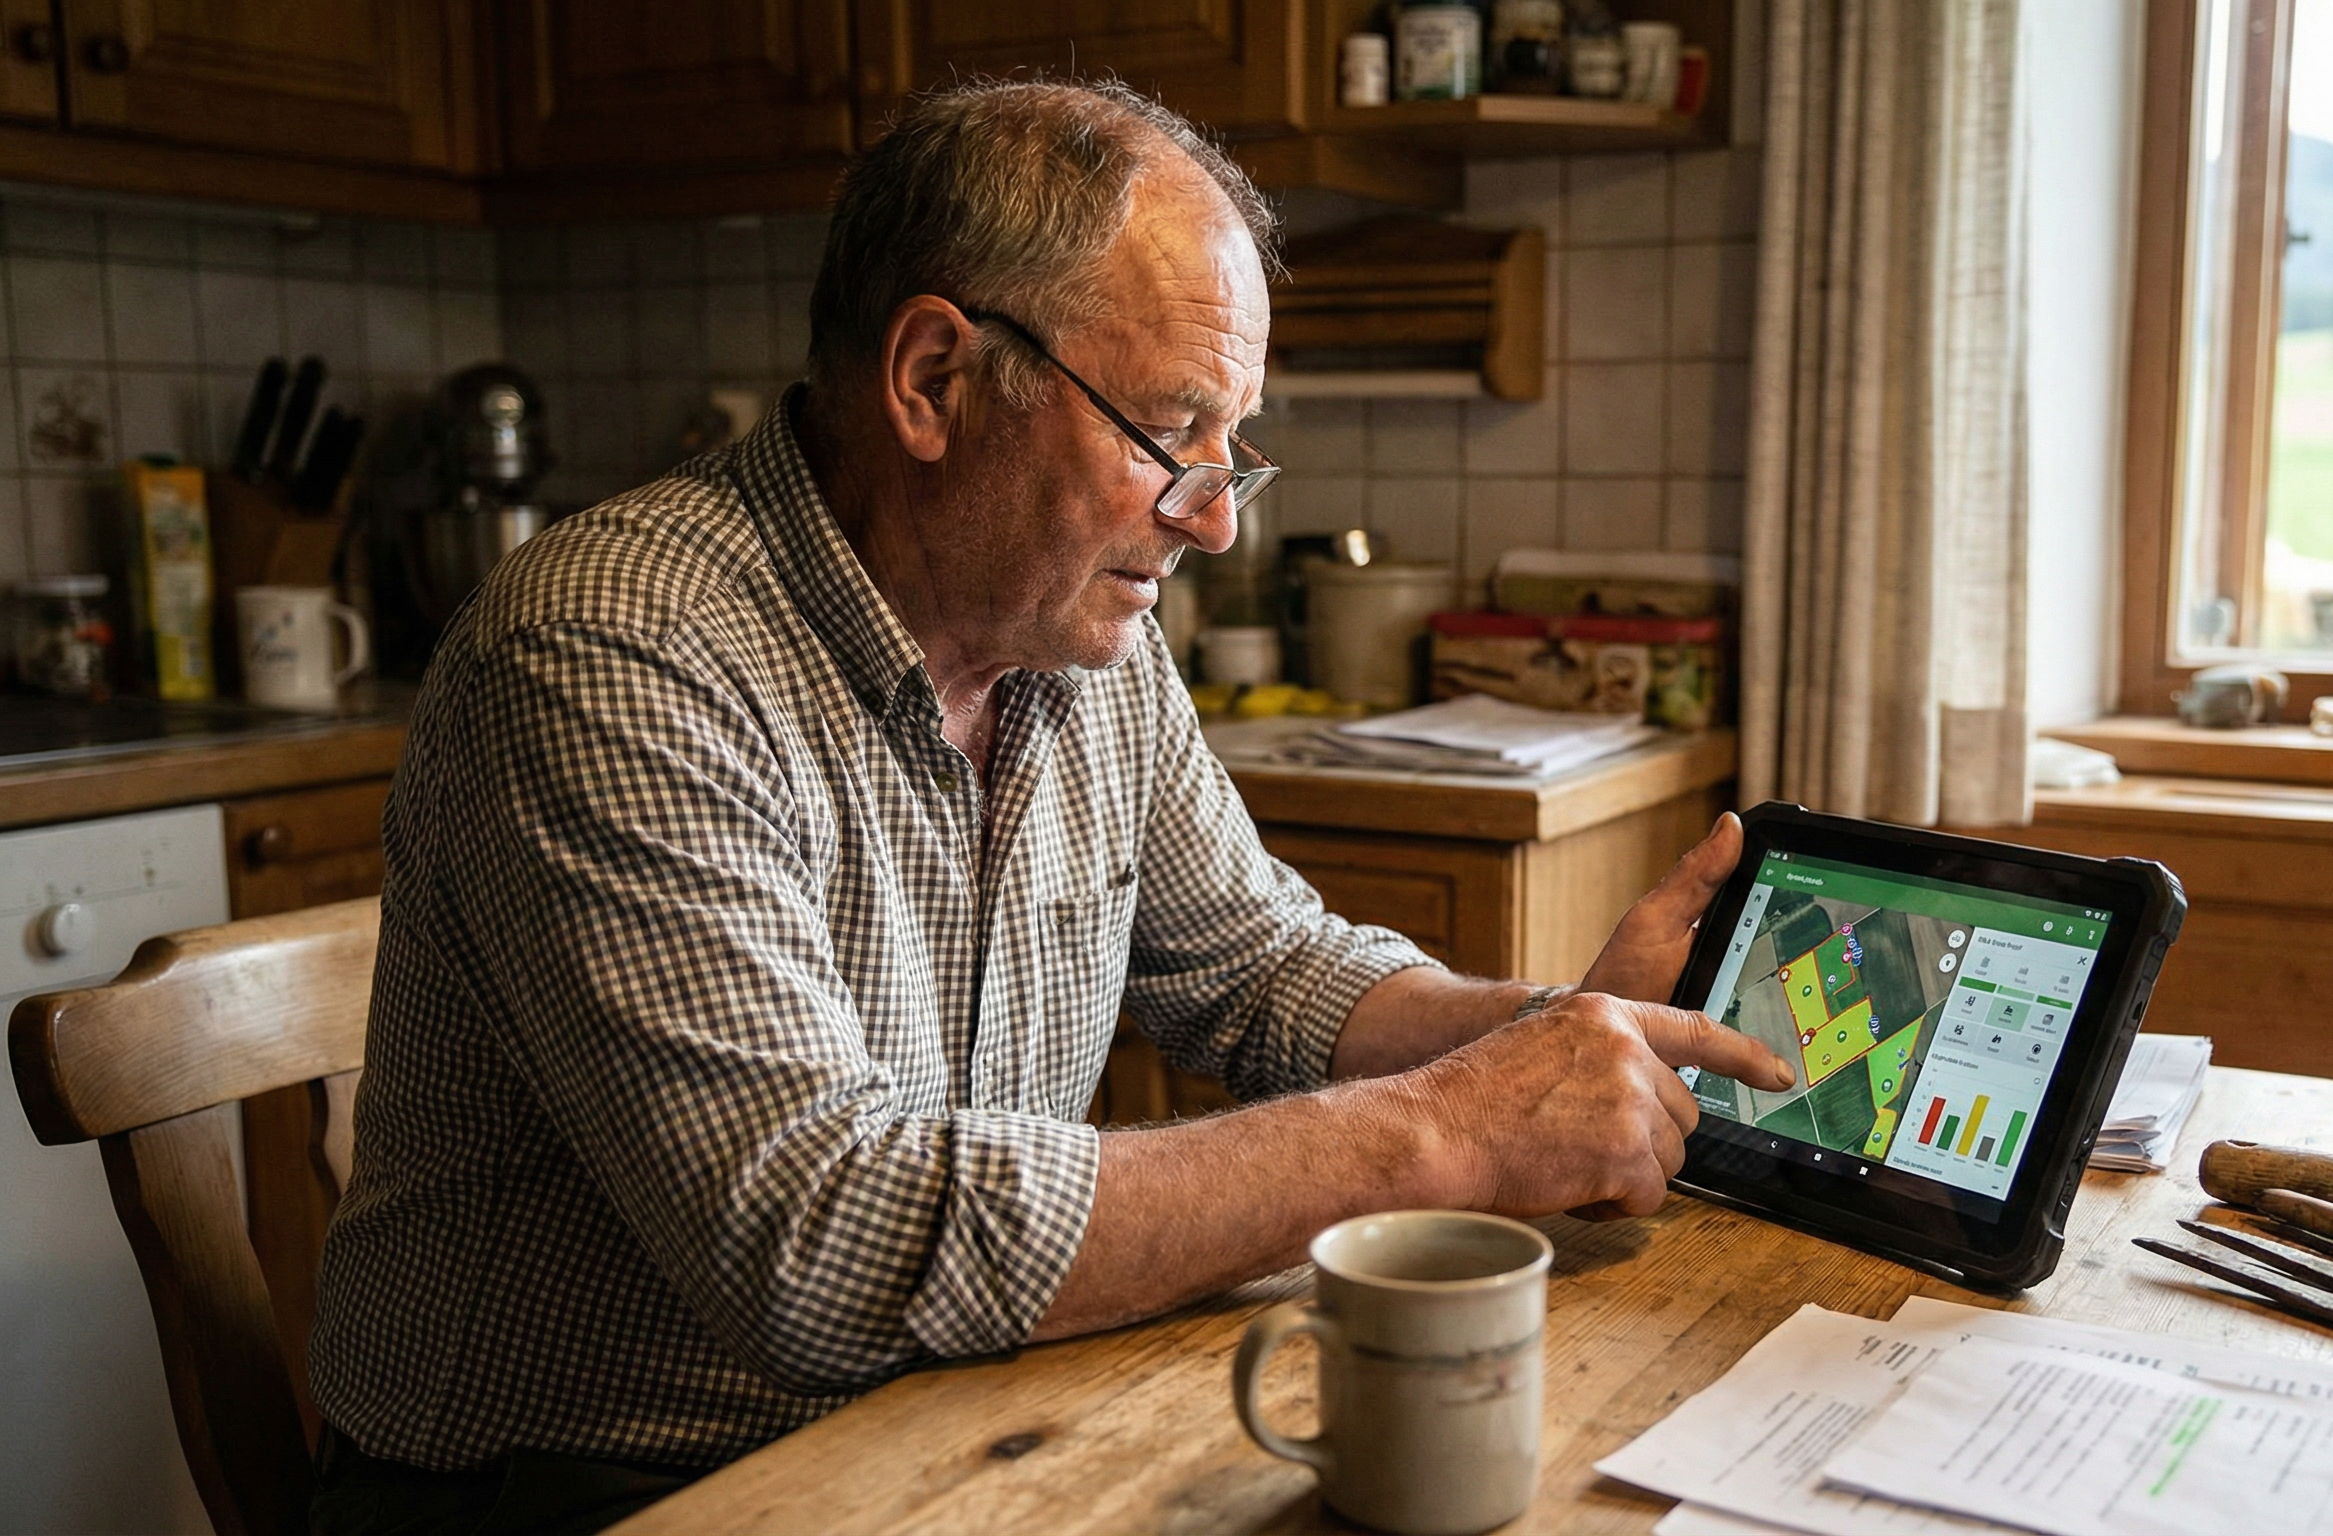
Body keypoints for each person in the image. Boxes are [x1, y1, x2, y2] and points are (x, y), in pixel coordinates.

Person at [307, 78, 1791, 1535]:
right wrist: (1442, 1133)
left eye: (1234, 450)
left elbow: (1260, 970)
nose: (1213, 519)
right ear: (934, 381)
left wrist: (1551, 1041)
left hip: (937, 1419)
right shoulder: (612, 650)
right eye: (1169, 432)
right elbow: (817, 1240)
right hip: (591, 1490)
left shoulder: (1076, 644)